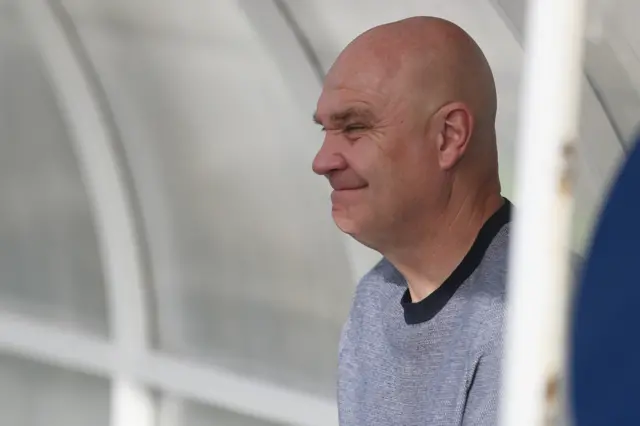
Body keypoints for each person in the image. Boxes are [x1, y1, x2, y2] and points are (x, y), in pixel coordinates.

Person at [312, 16, 511, 426]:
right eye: (325, 131)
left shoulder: (536, 317)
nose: (322, 162)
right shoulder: (376, 298)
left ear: (449, 137)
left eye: (355, 127)